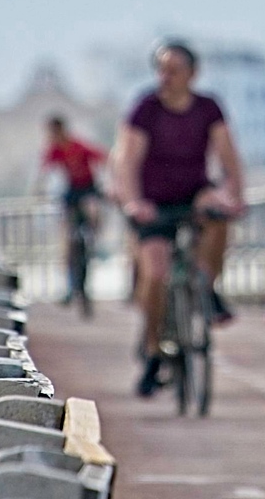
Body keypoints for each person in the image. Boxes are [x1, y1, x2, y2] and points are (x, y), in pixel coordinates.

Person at [110, 42, 247, 397]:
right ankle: (153, 348)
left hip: (193, 194)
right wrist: (133, 202)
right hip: (153, 204)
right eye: (161, 70)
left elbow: (228, 155)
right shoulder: (146, 108)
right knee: (156, 272)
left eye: (174, 70)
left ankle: (206, 282)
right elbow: (126, 159)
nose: (165, 78)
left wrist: (234, 193)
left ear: (192, 74)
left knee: (217, 216)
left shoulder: (207, 107)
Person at [39, 115, 105, 306]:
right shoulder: (54, 151)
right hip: (71, 192)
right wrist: (39, 192)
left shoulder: (79, 146)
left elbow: (102, 158)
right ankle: (70, 286)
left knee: (92, 210)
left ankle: (93, 233)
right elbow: (44, 172)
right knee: (67, 239)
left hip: (88, 188)